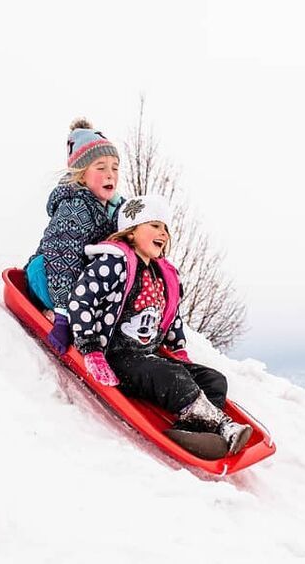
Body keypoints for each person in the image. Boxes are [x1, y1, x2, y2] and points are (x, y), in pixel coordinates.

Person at [66, 195, 253, 456]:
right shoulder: (113, 263)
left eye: (165, 228)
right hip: (118, 358)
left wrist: (178, 350)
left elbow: (170, 315)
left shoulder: (161, 274)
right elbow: (81, 300)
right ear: (130, 231)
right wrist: (91, 349)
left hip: (149, 357)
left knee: (214, 380)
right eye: (154, 225)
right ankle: (223, 426)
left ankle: (194, 432)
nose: (163, 233)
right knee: (169, 376)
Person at [25, 118, 124, 353]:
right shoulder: (74, 207)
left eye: (115, 167)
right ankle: (55, 312)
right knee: (50, 264)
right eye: (100, 167)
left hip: (84, 288)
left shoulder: (116, 210)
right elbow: (62, 256)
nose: (110, 174)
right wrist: (63, 313)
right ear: (81, 176)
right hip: (49, 278)